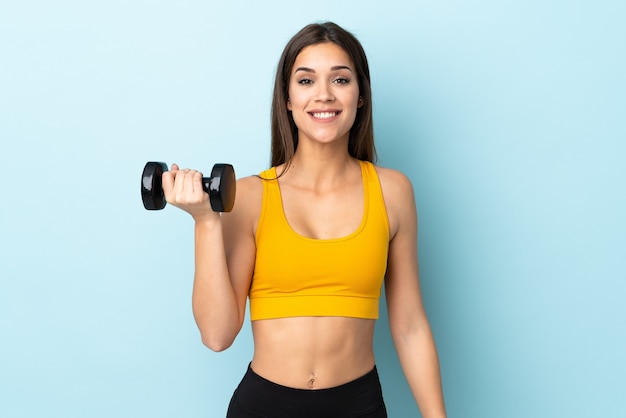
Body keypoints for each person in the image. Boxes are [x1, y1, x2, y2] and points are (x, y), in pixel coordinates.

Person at [162, 21, 446, 418]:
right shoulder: (250, 196)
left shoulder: (393, 192)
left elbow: (410, 326)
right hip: (263, 407)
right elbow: (217, 335)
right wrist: (205, 223)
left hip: (358, 407)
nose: (324, 95)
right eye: (306, 80)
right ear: (288, 99)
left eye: (341, 80)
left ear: (360, 95)